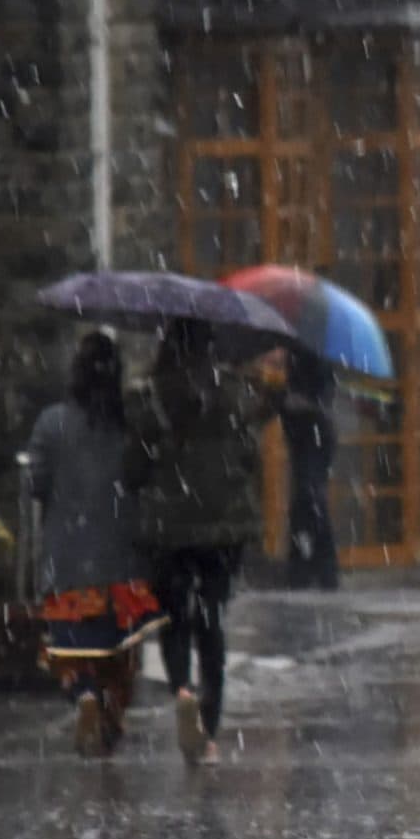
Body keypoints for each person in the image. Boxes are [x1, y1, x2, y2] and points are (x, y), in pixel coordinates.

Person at [125, 320, 280, 765]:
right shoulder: (232, 392)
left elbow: (133, 468)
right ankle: (208, 730)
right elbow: (248, 457)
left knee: (173, 619)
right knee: (211, 621)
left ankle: (182, 691)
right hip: (223, 528)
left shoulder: (151, 395)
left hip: (168, 527)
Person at [26, 330, 165, 757]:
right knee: (118, 651)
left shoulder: (51, 423)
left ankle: (83, 695)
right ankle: (110, 712)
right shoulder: (131, 422)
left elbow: (35, 482)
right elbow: (146, 477)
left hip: (67, 562)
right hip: (122, 559)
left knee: (70, 647)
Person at [279, 348, 342, 591]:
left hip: (314, 434)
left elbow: (324, 394)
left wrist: (301, 402)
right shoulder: (297, 351)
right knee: (304, 499)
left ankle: (314, 568)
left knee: (310, 496)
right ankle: (307, 568)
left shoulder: (315, 353)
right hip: (303, 434)